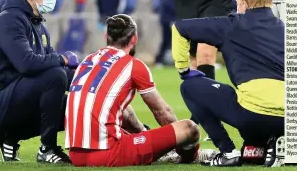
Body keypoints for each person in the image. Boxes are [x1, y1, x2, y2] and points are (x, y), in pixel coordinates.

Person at [65, 14, 214, 167]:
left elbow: (126, 113)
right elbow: (162, 112)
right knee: (190, 129)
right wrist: (179, 140)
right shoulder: (133, 65)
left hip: (76, 155)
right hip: (108, 153)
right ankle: (191, 157)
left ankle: (153, 148)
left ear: (106, 36)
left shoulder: (87, 60)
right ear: (134, 39)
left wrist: (143, 133)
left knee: (121, 115)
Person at [0, 0, 80, 164]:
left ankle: (10, 136)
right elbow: (27, 64)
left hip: (16, 97)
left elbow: (58, 69)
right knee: (54, 75)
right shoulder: (9, 21)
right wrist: (63, 59)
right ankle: (47, 149)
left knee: (76, 106)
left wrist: (89, 78)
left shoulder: (39, 26)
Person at [171, 0, 285, 167]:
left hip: (252, 116)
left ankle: (228, 152)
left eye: (238, 2)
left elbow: (179, 28)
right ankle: (269, 144)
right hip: (290, 119)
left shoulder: (232, 25)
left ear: (244, 4)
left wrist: (184, 70)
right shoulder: (283, 27)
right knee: (253, 147)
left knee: (190, 87)